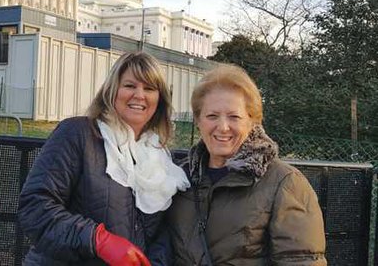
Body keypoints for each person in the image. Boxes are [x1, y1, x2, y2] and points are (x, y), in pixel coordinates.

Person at [18, 52, 190, 265]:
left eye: (149, 88)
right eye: (129, 86)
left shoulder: (160, 157)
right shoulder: (78, 133)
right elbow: (35, 208)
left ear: (159, 99)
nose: (139, 95)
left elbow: (164, 231)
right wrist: (97, 240)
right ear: (112, 90)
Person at [168, 64, 327, 265]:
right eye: (212, 116)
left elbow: (301, 260)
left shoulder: (284, 183)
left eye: (234, 117)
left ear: (252, 122)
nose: (223, 127)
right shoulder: (179, 180)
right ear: (198, 121)